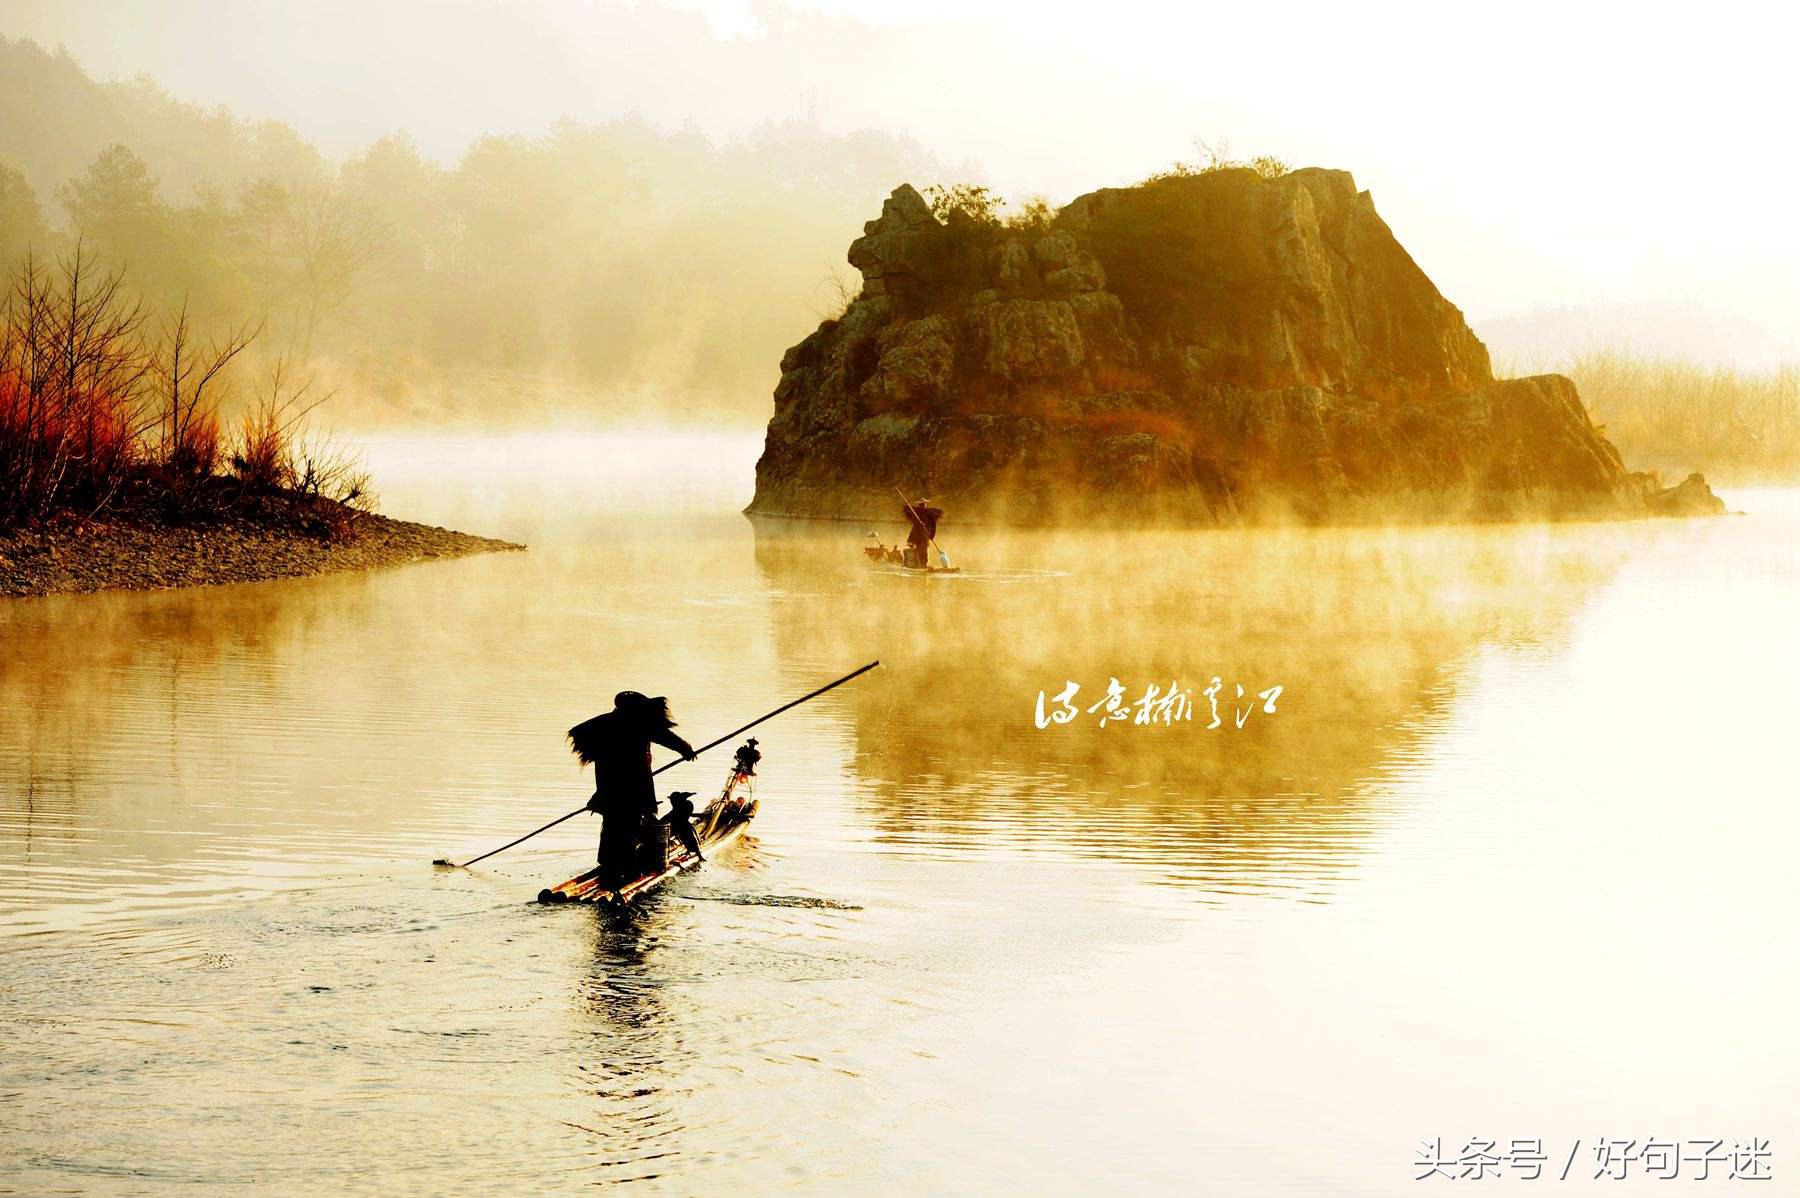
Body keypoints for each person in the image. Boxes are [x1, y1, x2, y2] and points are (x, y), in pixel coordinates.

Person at [568, 691, 697, 885]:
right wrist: (685, 749)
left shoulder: (603, 724)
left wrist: (684, 749)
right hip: (634, 787)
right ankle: (626, 870)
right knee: (629, 824)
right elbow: (666, 737)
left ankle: (608, 865)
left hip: (608, 787)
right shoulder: (639, 723)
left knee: (612, 823)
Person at [902, 497, 943, 569]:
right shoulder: (915, 512)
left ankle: (924, 564)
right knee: (915, 549)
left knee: (923, 549)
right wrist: (920, 523)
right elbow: (913, 520)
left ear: (926, 504)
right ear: (919, 505)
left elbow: (933, 526)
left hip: (924, 535)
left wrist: (932, 535)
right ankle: (914, 563)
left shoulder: (930, 514)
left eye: (923, 504)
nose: (922, 506)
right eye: (921, 505)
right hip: (915, 534)